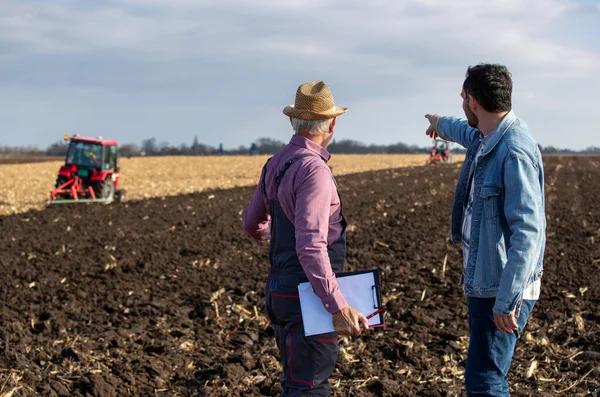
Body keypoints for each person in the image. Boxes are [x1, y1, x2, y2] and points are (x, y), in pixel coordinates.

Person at [424, 64, 546, 396]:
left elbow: (529, 233)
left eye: (463, 97)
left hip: (500, 287)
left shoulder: (514, 151)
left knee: (486, 381)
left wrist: (507, 301)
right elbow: (464, 130)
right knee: (483, 374)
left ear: (473, 101)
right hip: (486, 280)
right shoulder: (487, 135)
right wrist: (439, 123)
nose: (463, 103)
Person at [242, 81, 369, 396]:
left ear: (292, 121)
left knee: (295, 384)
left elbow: (251, 223)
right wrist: (337, 305)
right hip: (308, 298)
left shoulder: (274, 164)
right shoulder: (314, 171)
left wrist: (276, 236)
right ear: (333, 124)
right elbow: (311, 245)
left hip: (279, 291)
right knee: (309, 388)